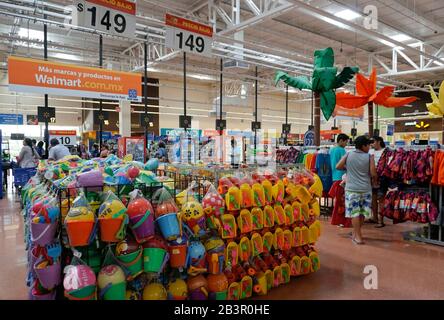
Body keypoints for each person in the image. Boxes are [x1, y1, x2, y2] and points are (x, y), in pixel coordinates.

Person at [336, 136, 377, 245]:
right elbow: (373, 173)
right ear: (363, 146)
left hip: (351, 189)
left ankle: (356, 234)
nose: (369, 147)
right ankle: (358, 235)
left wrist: (348, 168)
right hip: (366, 189)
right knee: (363, 213)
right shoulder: (369, 157)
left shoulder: (348, 154)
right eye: (368, 145)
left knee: (355, 213)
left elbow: (338, 166)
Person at [329, 133, 351, 228]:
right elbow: (345, 164)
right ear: (341, 140)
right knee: (342, 201)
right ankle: (341, 221)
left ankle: (337, 220)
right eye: (346, 141)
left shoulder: (332, 150)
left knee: (338, 201)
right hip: (342, 178)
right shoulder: (342, 150)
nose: (346, 144)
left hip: (335, 177)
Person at [370, 136, 387, 228]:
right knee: (373, 197)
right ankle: (374, 217)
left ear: (379, 142)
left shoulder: (386, 151)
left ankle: (381, 220)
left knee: (381, 199)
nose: (372, 144)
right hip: (371, 177)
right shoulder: (370, 152)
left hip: (382, 178)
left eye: (373, 142)